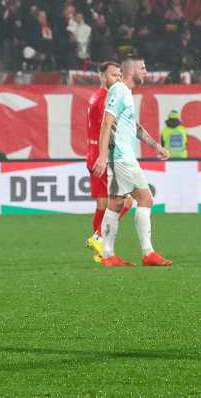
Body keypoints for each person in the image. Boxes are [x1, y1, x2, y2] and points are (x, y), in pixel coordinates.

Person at [92, 57, 173, 267]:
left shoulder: (124, 93)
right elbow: (106, 122)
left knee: (116, 204)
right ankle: (148, 253)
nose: (146, 71)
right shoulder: (119, 90)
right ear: (131, 71)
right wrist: (102, 155)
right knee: (146, 199)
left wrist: (156, 146)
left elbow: (134, 127)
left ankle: (108, 255)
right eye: (142, 68)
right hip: (121, 157)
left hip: (118, 157)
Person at [84, 61, 132, 263]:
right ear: (102, 76)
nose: (118, 79)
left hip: (93, 150)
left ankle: (101, 251)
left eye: (120, 75)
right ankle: (99, 237)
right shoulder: (105, 99)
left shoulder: (95, 96)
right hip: (102, 153)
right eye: (113, 75)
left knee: (103, 203)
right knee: (125, 201)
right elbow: (109, 126)